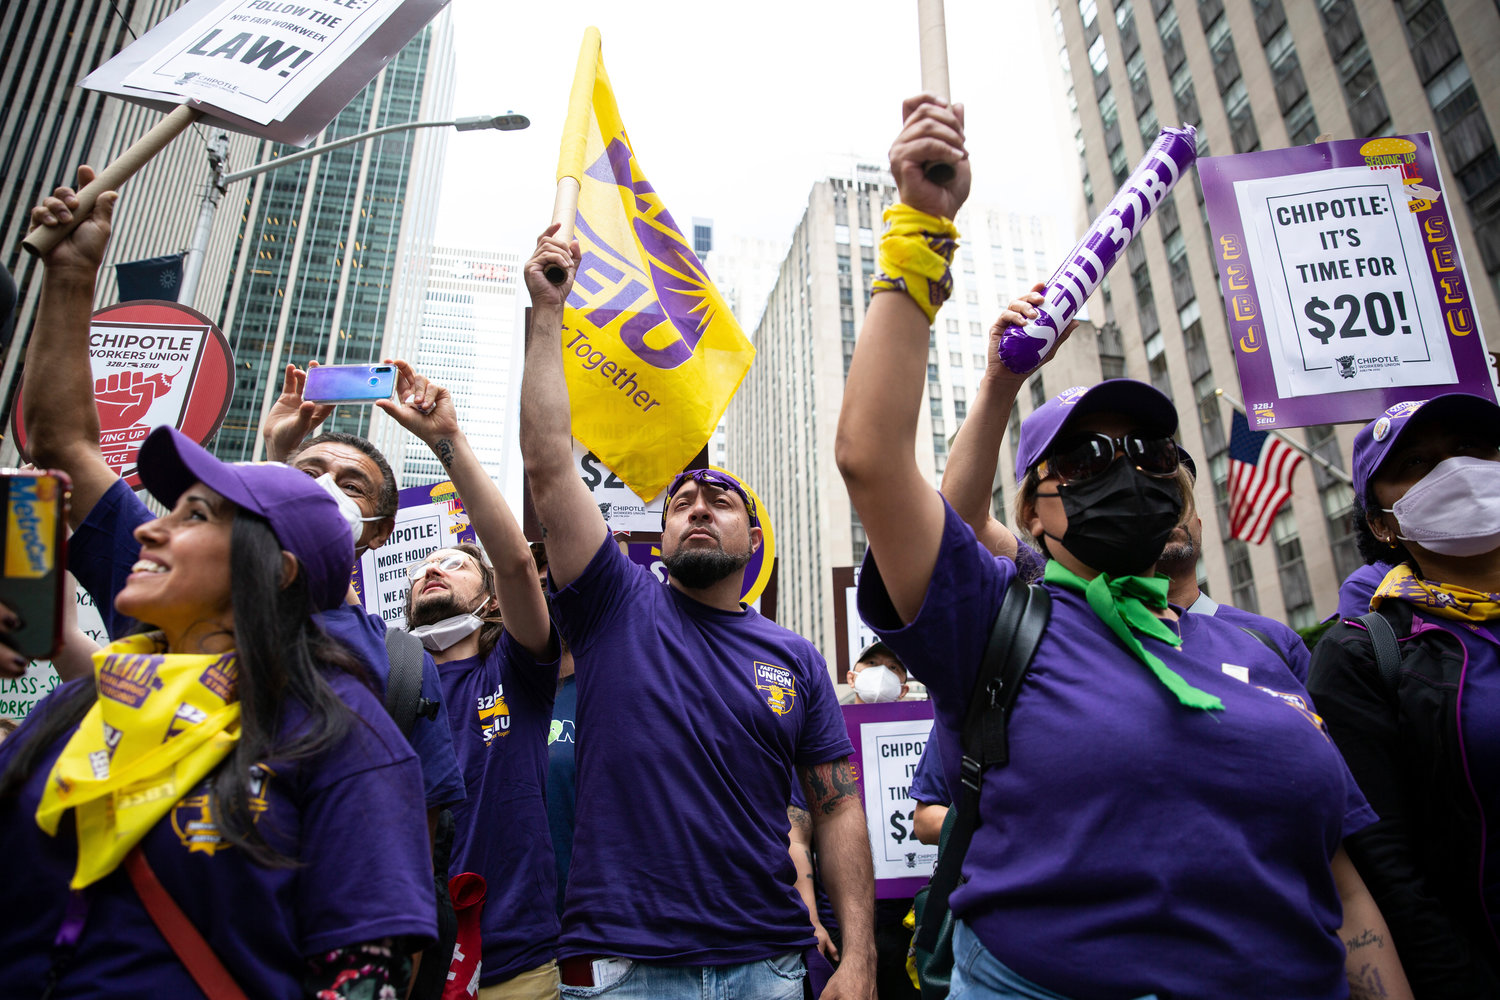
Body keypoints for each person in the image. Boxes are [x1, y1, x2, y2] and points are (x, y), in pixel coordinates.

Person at [834, 93, 1410, 999]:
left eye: (1150, 454)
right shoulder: (998, 624)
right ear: (1034, 510)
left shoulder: (1264, 649)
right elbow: (871, 459)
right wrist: (922, 234)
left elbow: (1343, 888)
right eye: (1092, 458)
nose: (1129, 471)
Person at [19, 168, 466, 822]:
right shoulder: (183, 577)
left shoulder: (398, 666)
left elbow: (416, 828)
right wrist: (69, 276)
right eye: (308, 471)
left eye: (350, 485)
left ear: (375, 531)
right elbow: (63, 450)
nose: (322, 487)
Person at [519, 226, 875, 1000]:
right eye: (681, 502)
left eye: (721, 500)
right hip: (630, 967)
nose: (699, 507)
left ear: (754, 538)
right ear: (662, 532)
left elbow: (839, 806)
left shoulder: (796, 657)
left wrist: (860, 956)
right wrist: (547, 314)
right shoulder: (615, 601)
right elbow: (548, 463)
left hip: (772, 964)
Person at [0, 425, 436, 996]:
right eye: (168, 513)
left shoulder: (340, 729)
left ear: (278, 570)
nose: (149, 530)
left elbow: (364, 974)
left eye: (195, 516)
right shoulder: (80, 701)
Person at [381, 360, 563, 999]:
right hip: (396, 962)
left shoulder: (516, 670)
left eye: (457, 563)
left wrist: (445, 443)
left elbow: (515, 558)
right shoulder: (383, 681)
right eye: (424, 566)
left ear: (489, 600)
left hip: (516, 960)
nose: (434, 569)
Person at [1308, 393, 1500, 997]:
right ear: (1383, 524)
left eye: (1473, 450)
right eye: (1417, 462)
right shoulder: (1363, 653)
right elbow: (1386, 867)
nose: (1457, 471)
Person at [843, 640, 911, 704]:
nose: (882, 671)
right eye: (872, 662)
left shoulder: (919, 717)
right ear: (851, 678)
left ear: (903, 690)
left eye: (893, 667)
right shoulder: (835, 716)